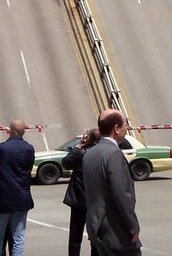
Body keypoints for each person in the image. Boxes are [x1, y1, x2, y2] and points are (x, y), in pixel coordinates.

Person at [83, 109, 141, 255]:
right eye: (125, 125)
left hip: (96, 228)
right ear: (116, 128)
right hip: (116, 232)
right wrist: (133, 226)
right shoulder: (114, 154)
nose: (127, 129)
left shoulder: (89, 154)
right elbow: (122, 194)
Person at [0, 119, 35, 256]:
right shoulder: (28, 148)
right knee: (18, 237)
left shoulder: (0, 149)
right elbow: (29, 168)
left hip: (2, 197)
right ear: (23, 131)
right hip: (21, 196)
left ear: (10, 130)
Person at [63, 128, 100, 256]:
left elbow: (66, 163)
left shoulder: (81, 152)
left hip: (79, 200)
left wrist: (79, 145)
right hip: (96, 201)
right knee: (96, 235)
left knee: (75, 235)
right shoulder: (101, 152)